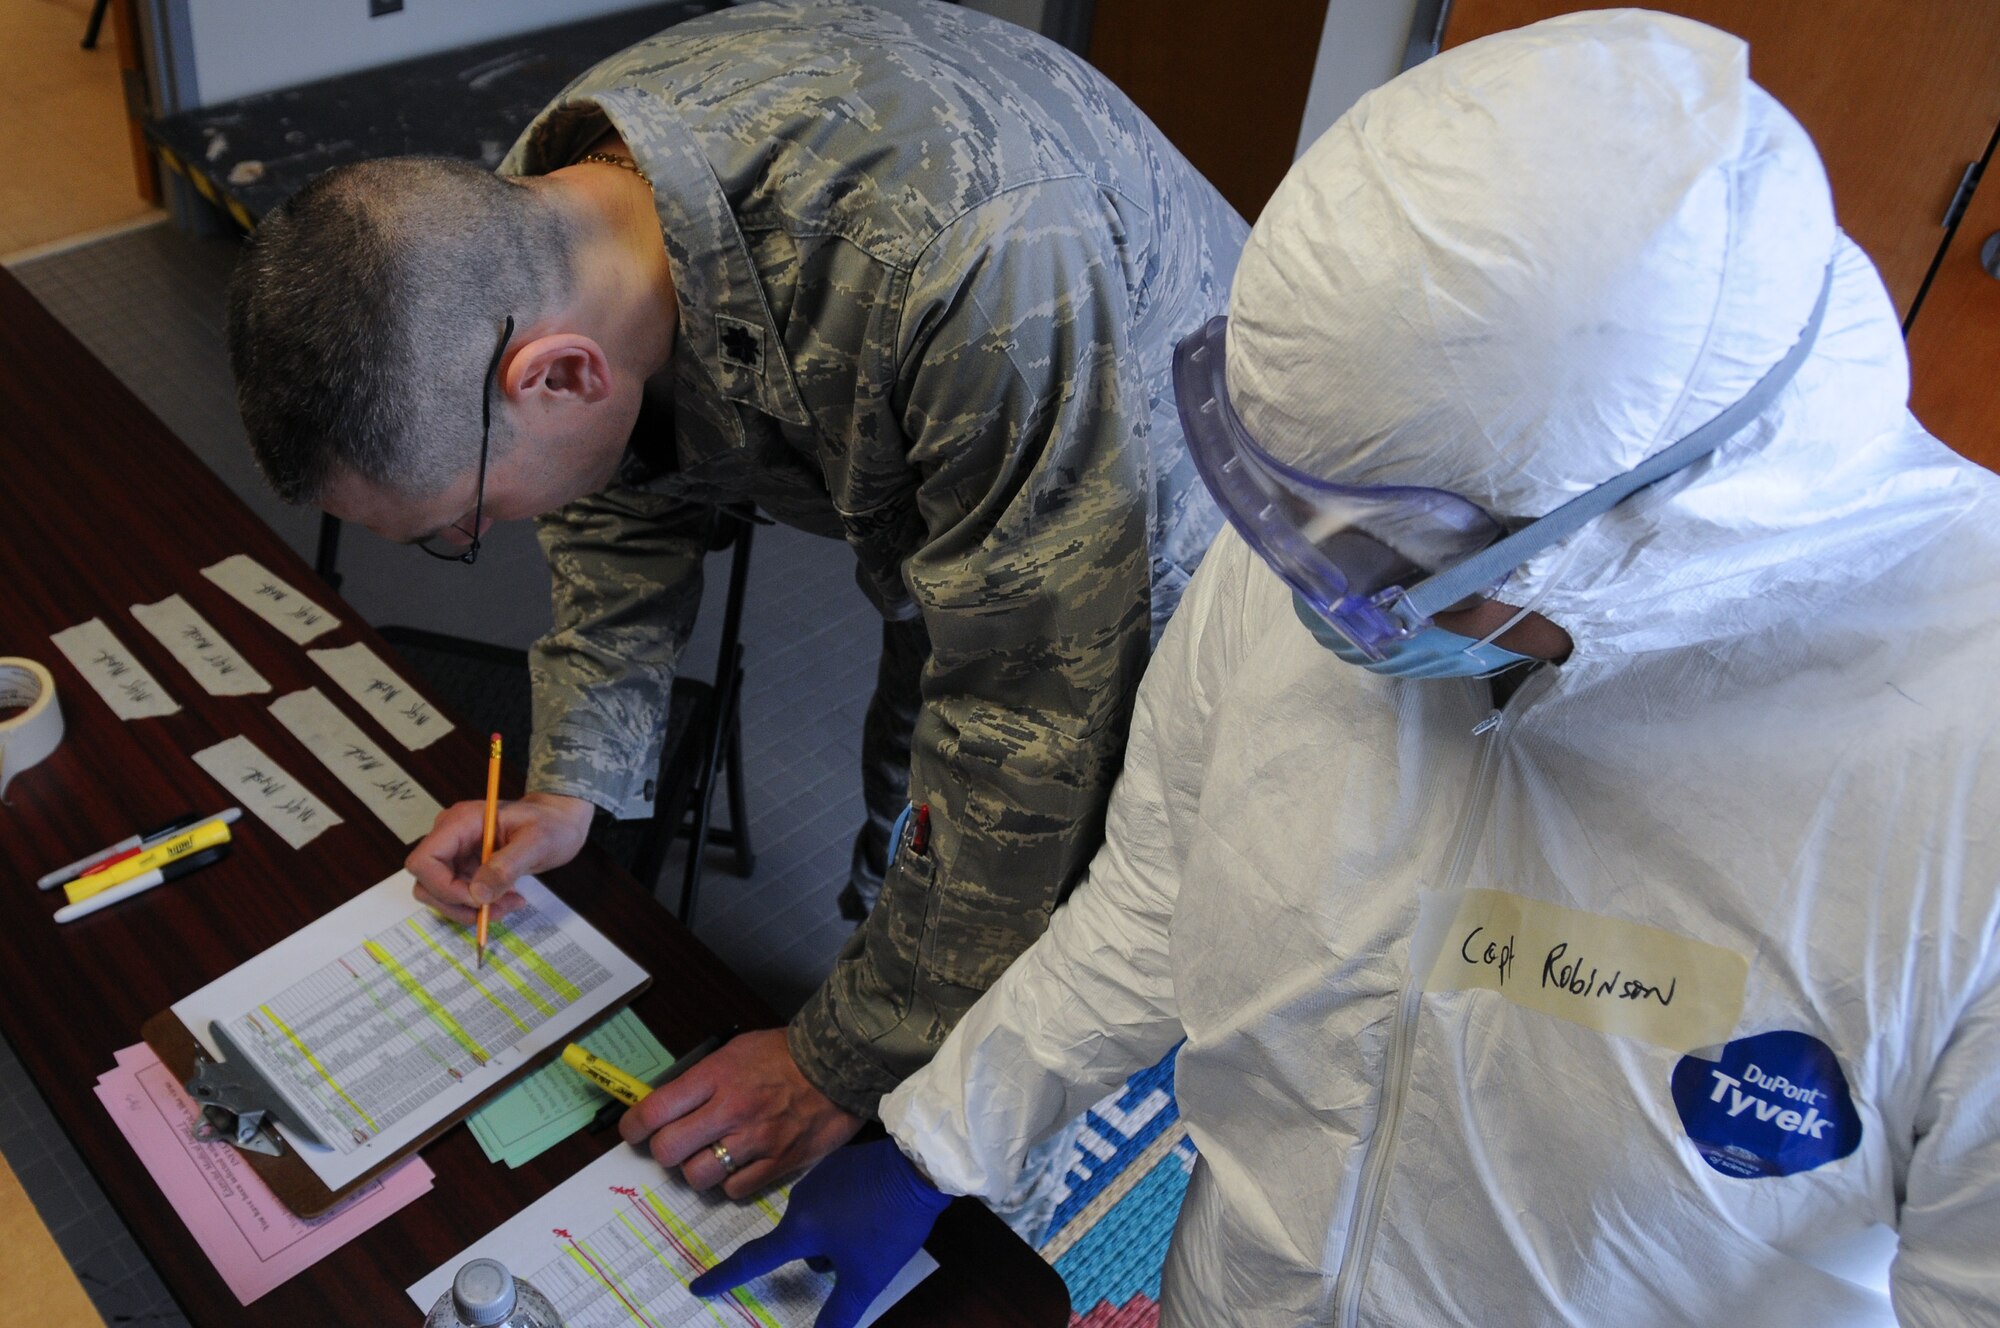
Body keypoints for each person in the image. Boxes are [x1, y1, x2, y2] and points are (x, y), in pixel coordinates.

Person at [683, 11, 2000, 1326]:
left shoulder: (1957, 755)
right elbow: (1158, 892)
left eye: (1378, 552)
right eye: (1290, 511)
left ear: (1630, 522)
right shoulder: (1334, 537)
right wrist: (936, 1144)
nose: (1304, 585)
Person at [224, 0, 1244, 1194]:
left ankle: (1001, 1180)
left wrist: (836, 1067)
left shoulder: (966, 270)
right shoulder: (538, 224)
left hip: (1175, 484)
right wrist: (576, 781)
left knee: (1070, 922)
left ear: (556, 372)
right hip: (975, 456)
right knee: (916, 831)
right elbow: (611, 488)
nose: (475, 537)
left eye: (462, 517)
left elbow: (1029, 738)